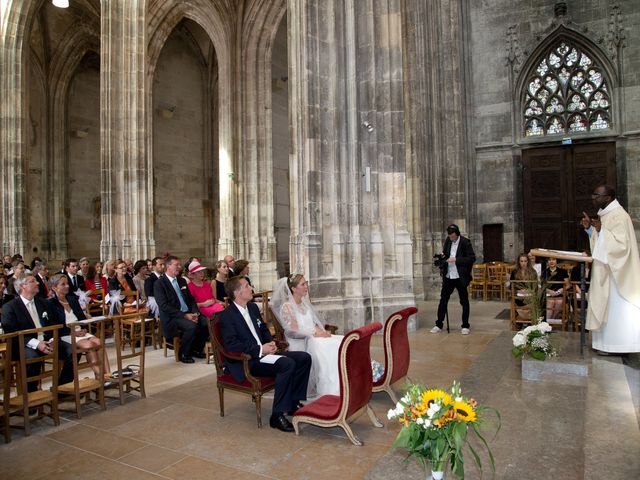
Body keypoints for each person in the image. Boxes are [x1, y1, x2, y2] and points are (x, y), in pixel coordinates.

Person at [219, 276, 311, 432]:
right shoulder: (227, 315)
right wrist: (260, 349)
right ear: (237, 292)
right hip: (249, 361)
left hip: (265, 355)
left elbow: (263, 330)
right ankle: (277, 415)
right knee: (286, 364)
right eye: (247, 286)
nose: (251, 288)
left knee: (304, 358)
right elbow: (232, 345)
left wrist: (271, 342)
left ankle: (292, 403)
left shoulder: (253, 308)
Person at [581, 184, 640, 353]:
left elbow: (622, 246)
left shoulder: (619, 216)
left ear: (607, 197)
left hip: (616, 275)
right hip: (606, 270)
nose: (593, 197)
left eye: (596, 195)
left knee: (614, 308)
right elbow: (602, 241)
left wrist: (601, 230)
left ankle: (618, 346)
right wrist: (591, 229)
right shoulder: (607, 215)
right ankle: (604, 345)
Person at [271, 274, 343, 396]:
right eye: (303, 284)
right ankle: (331, 387)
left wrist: (322, 332)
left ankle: (342, 381)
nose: (306, 287)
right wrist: (315, 334)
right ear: (293, 289)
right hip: (301, 341)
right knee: (331, 346)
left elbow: (312, 324)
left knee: (341, 340)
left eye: (306, 283)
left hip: (313, 337)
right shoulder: (287, 307)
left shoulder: (304, 304)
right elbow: (293, 331)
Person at [1, 274, 74, 391]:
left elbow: (52, 324)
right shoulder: (10, 307)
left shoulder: (43, 303)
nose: (38, 283)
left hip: (47, 340)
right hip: (24, 344)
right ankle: (32, 396)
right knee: (32, 357)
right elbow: (12, 332)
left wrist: (52, 340)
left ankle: (61, 388)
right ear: (22, 286)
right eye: (33, 281)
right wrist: (37, 344)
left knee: (72, 351)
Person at [47, 274, 111, 383]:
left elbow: (81, 317)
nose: (67, 286)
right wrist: (74, 333)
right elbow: (54, 325)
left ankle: (108, 375)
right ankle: (100, 377)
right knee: (89, 345)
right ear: (54, 288)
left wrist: (85, 328)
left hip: (80, 331)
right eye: (63, 284)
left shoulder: (72, 299)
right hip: (66, 334)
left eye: (67, 283)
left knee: (99, 342)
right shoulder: (50, 303)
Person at [154, 255, 209, 363]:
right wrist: (184, 315)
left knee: (205, 322)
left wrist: (195, 312)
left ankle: (197, 349)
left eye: (179, 264)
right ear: (168, 266)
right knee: (191, 326)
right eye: (176, 265)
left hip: (187, 313)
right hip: (172, 317)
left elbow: (191, 299)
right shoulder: (159, 284)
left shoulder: (181, 281)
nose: (179, 267)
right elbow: (164, 305)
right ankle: (183, 353)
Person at [431, 224, 476, 335]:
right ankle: (438, 324)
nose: (450, 237)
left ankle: (465, 325)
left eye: (452, 236)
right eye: (449, 236)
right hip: (449, 276)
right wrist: (443, 256)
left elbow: (471, 258)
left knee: (464, 301)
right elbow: (446, 254)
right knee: (443, 300)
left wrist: (456, 259)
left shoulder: (465, 242)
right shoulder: (448, 240)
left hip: (460, 276)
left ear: (457, 233)